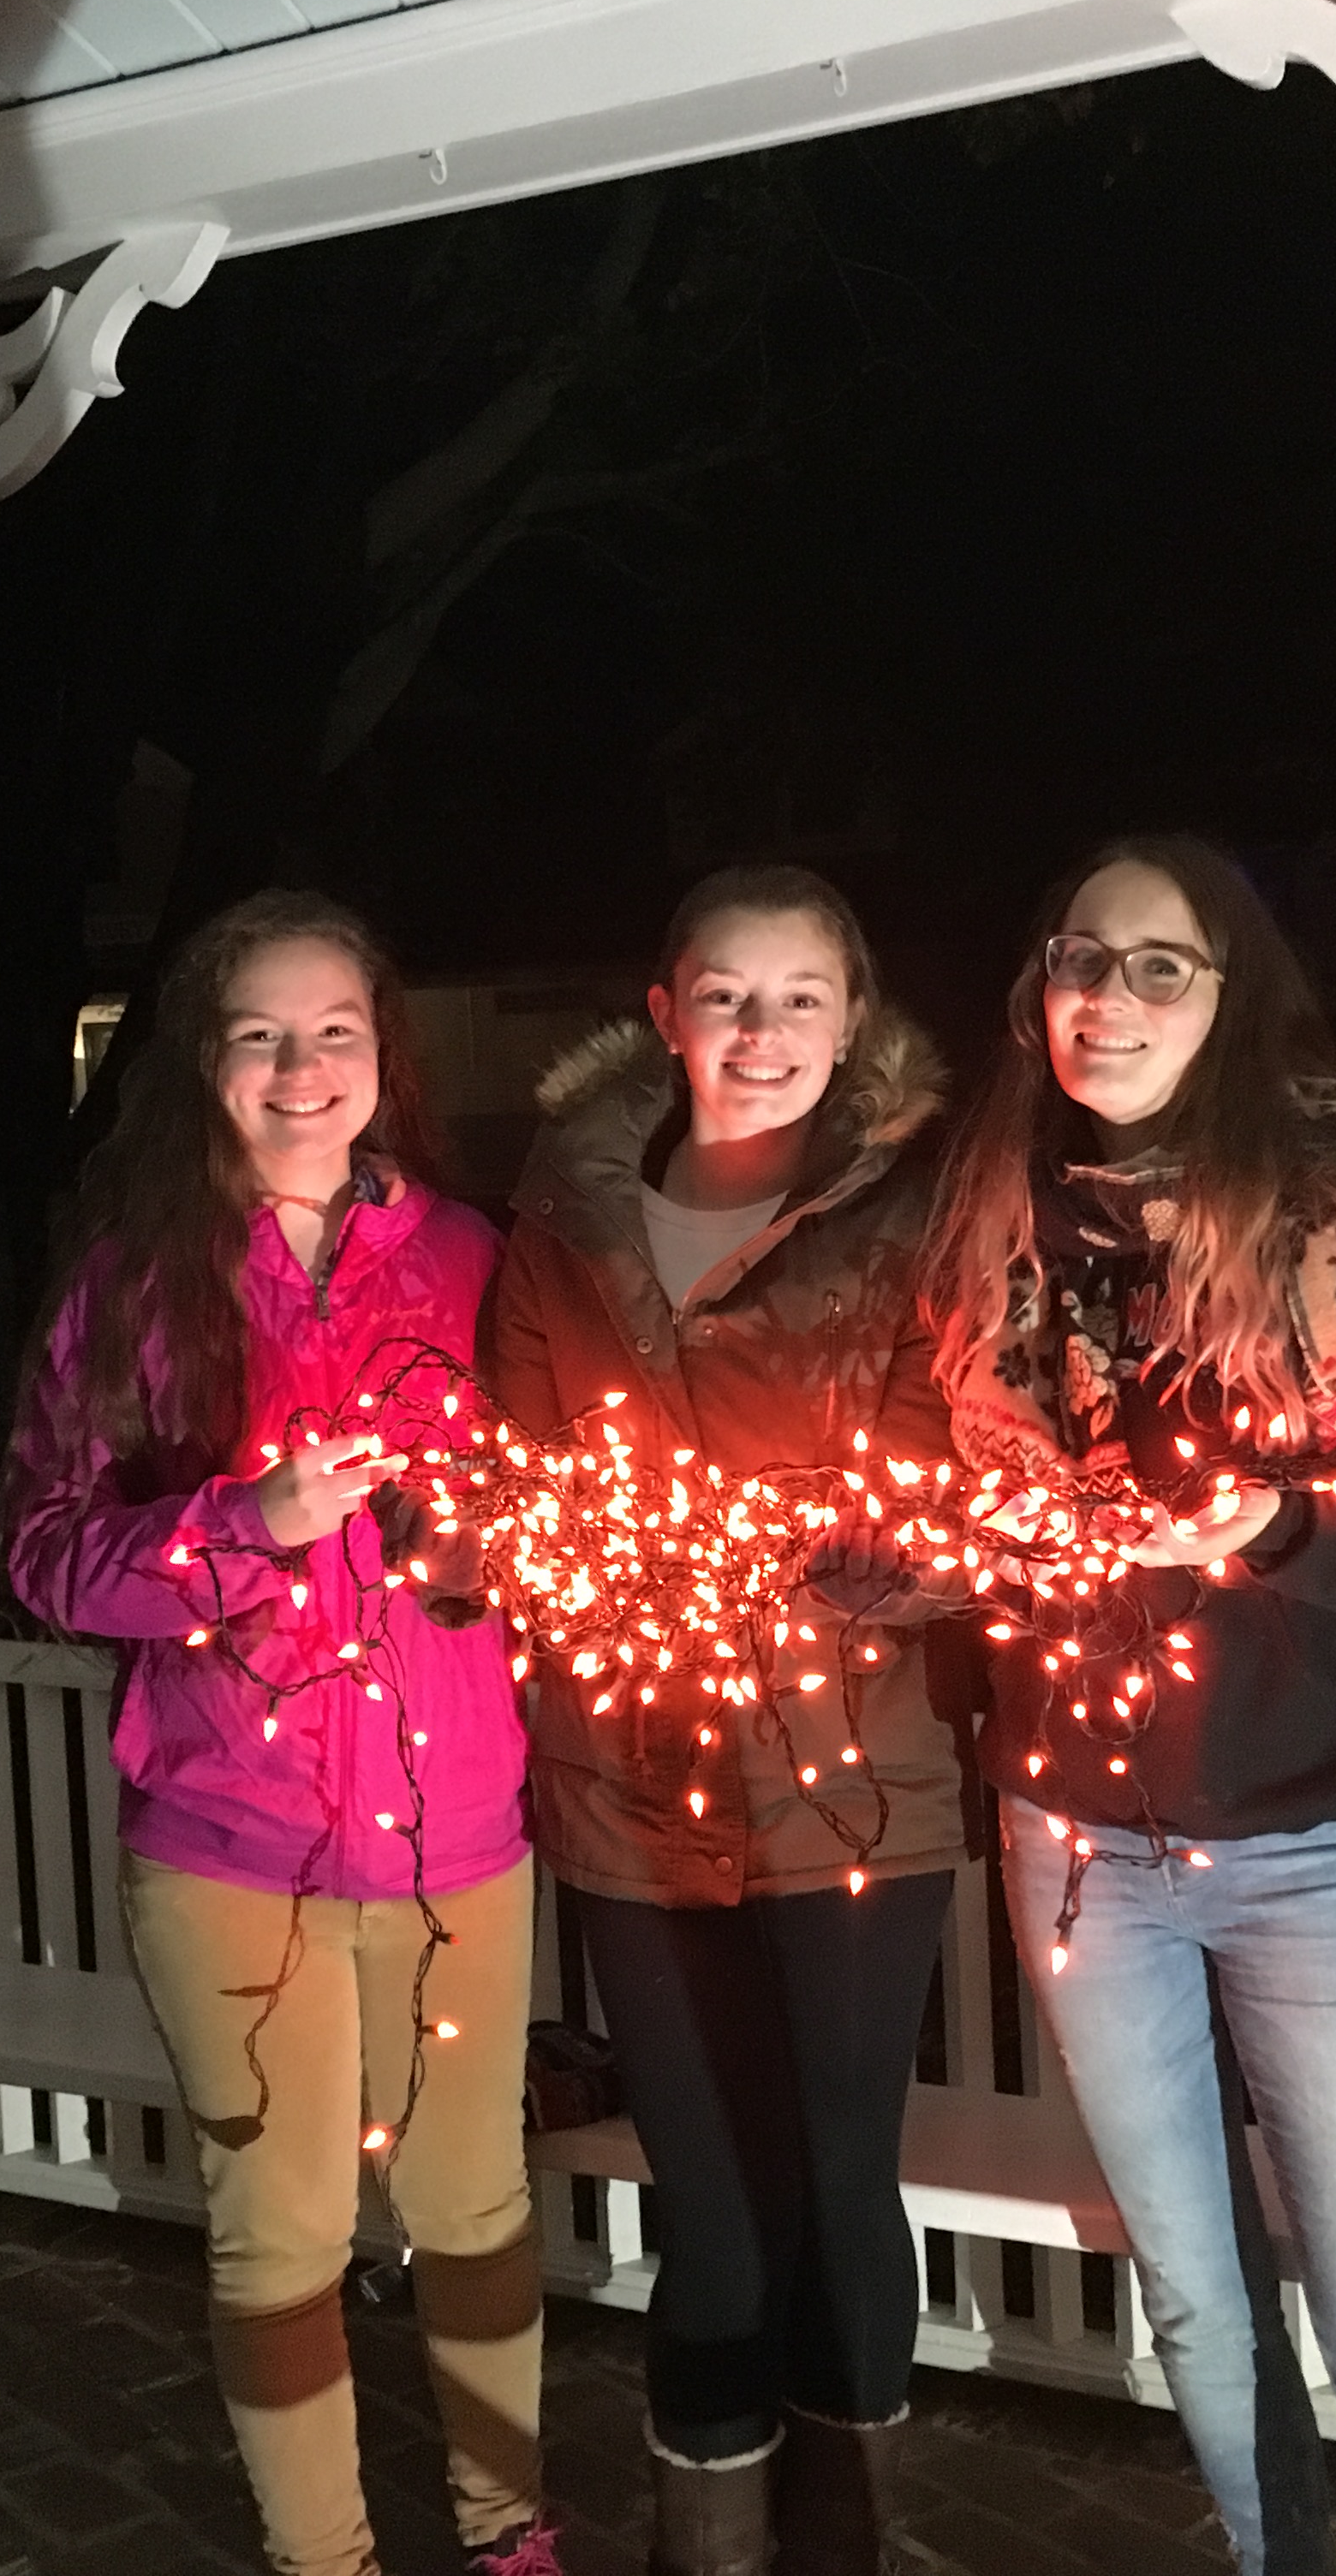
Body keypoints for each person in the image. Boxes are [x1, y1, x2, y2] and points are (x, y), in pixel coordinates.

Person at [916, 837, 1336, 2574]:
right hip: (1076, 1840)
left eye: (1157, 967)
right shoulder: (997, 1199)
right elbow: (971, 1504)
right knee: (1199, 2302)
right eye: (1077, 959)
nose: (1104, 999)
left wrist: (1282, 1530)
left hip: (1319, 1844)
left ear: (1231, 992)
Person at [0, 891, 559, 2576]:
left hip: (458, 1828)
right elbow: (37, 1552)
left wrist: (503, 1524)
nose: (302, 1066)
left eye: (335, 1031)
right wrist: (245, 1525)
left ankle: (511, 2537)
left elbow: (563, 1498)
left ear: (386, 1054)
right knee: (287, 2231)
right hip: (235, 1844)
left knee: (476, 2213)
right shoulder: (134, 1282)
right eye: (261, 1034)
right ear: (205, 1065)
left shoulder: (479, 1262)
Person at [484, 866, 962, 2576]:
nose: (763, 1035)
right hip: (630, 1780)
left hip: (848, 1784)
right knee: (712, 2207)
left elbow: (959, 1476)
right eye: (730, 997)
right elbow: (529, 1474)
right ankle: (715, 2548)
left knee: (837, 2187)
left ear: (856, 1015)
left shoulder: (913, 1213)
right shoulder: (563, 1226)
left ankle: (847, 2544)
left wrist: (895, 1562)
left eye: (802, 999)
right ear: (666, 1008)